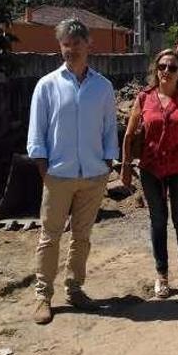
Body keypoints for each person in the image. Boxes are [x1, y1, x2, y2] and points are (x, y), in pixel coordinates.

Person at [26, 17, 118, 324]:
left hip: (93, 176)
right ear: (60, 46)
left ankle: (75, 288)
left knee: (82, 236)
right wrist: (43, 168)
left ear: (88, 44)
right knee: (49, 237)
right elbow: (36, 133)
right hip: (58, 175)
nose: (71, 49)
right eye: (66, 44)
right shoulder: (47, 86)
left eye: (76, 43)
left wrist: (107, 163)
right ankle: (42, 295)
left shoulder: (102, 87)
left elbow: (109, 130)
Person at [121, 49, 178, 300]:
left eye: (172, 68)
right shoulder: (144, 98)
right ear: (156, 70)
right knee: (158, 222)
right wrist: (125, 166)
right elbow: (129, 134)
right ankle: (162, 276)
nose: (166, 71)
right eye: (162, 67)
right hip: (151, 169)